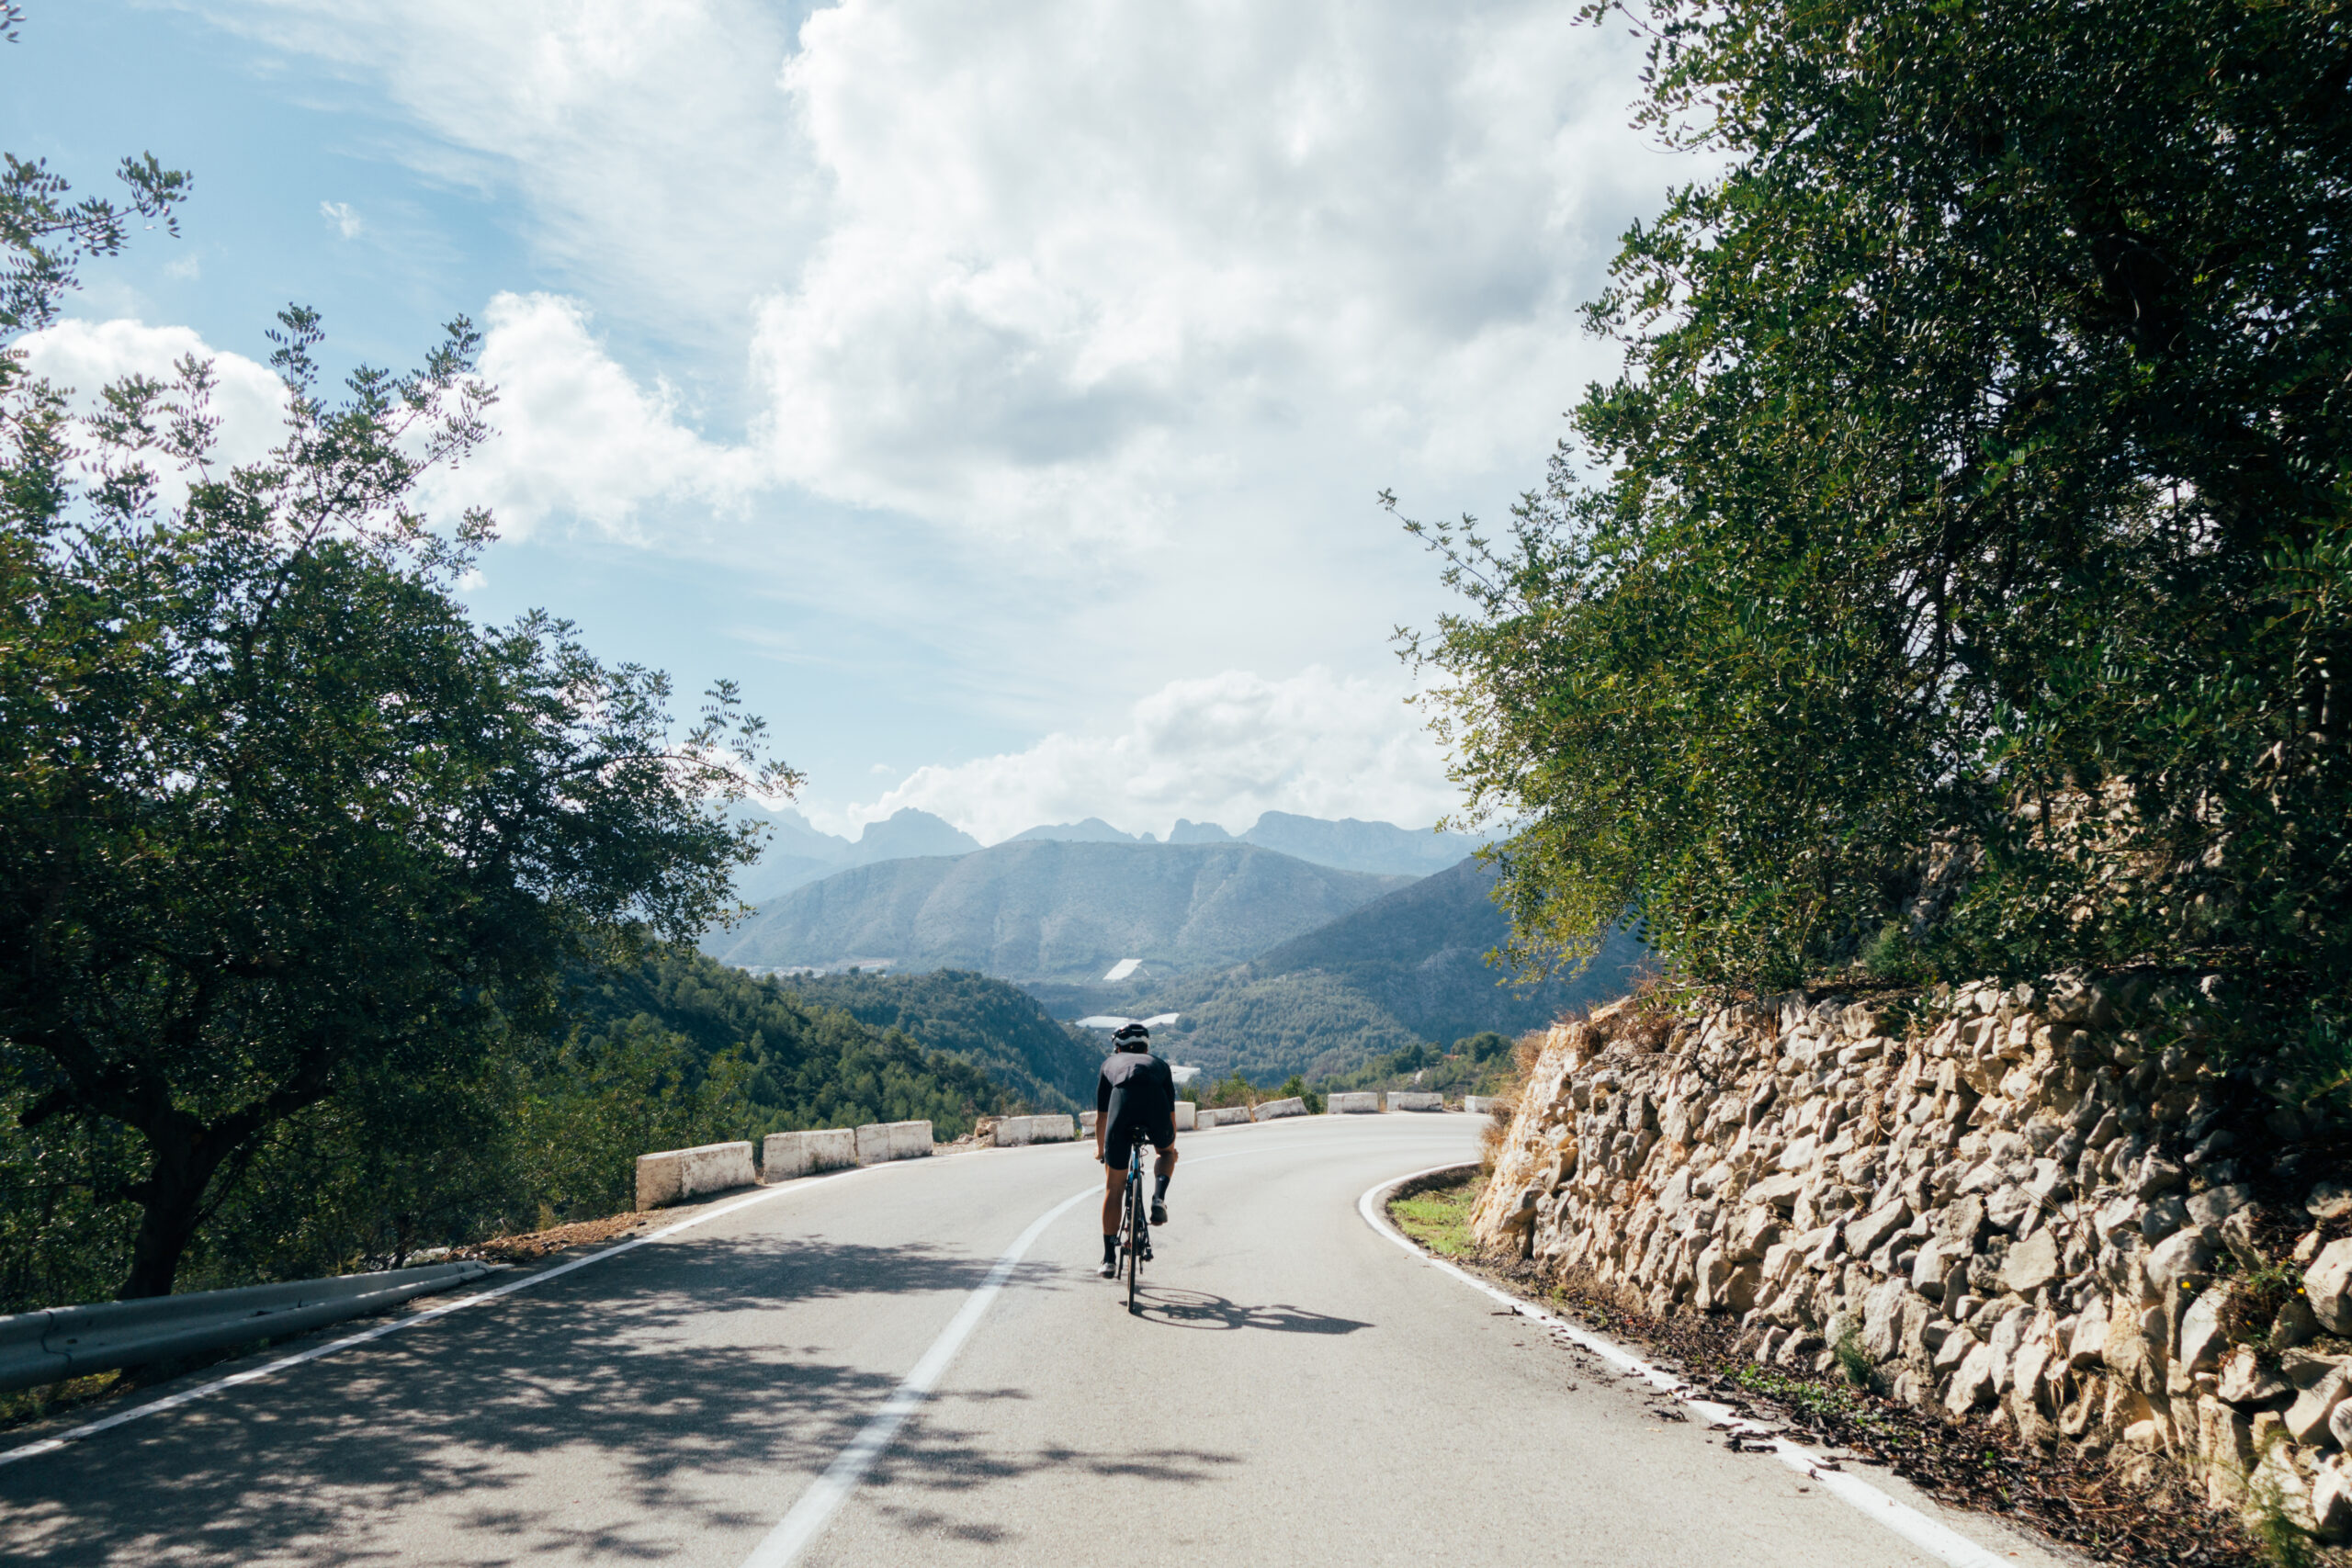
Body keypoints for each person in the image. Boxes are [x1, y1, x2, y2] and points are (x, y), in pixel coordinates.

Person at [1095, 1021, 1178, 1279]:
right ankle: (1158, 1197)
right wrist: (1168, 1148)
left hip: (1122, 1108)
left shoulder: (1109, 1065)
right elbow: (1172, 1117)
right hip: (1155, 1105)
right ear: (1145, 1048)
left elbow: (1102, 1117)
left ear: (1117, 1048)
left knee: (1114, 1187)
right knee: (1166, 1154)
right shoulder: (1160, 1065)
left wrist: (1101, 1152)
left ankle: (1109, 1258)